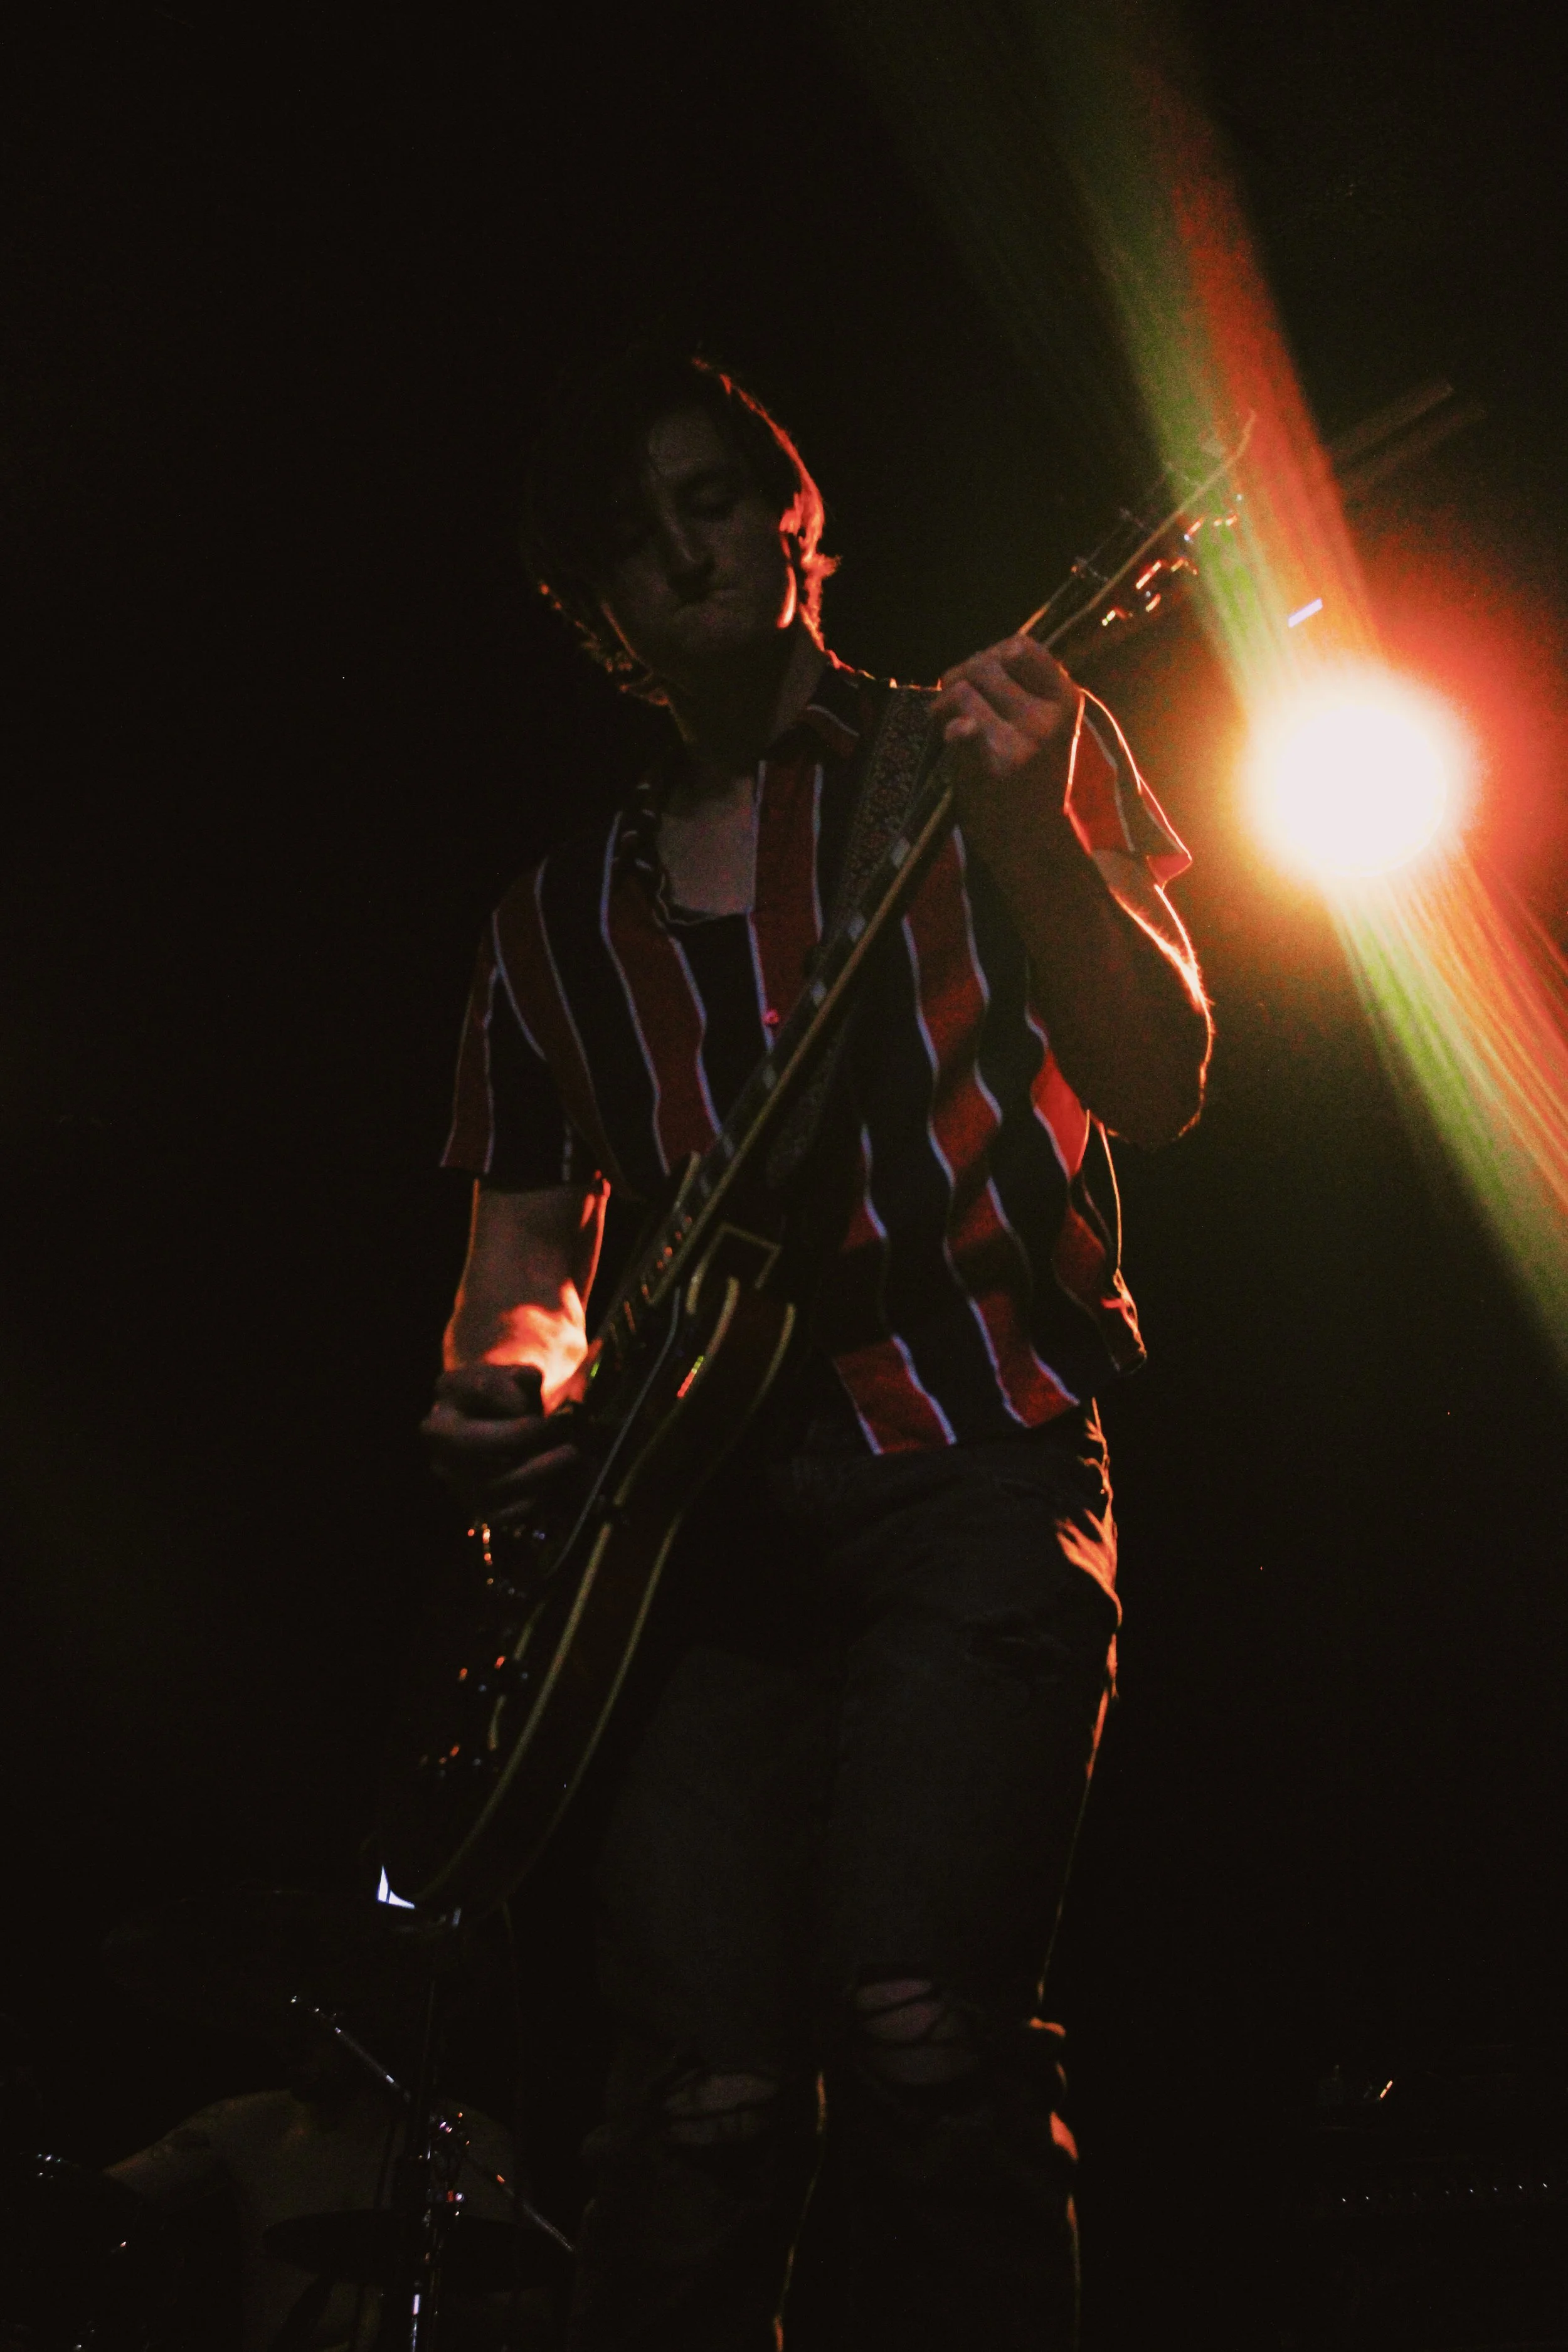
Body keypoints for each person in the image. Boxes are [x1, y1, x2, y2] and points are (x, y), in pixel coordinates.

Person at [422, 351, 1210, 2351]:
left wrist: (1029, 830)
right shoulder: (545, 930)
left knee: (921, 2028)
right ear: (587, 613)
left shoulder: (986, 749)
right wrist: (507, 1373)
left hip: (975, 1447)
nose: (680, 551)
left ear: (797, 525)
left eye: (710, 498)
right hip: (691, 1539)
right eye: (626, 535)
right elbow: (524, 1258)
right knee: (696, 2100)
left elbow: (1160, 1067)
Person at [108, 2013, 541, 2350]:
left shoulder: (467, 2144)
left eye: (320, 2023)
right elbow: (94, 2199)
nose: (289, 2040)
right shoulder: (241, 2125)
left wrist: (423, 2313)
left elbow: (534, 2319)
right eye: (287, 2020)